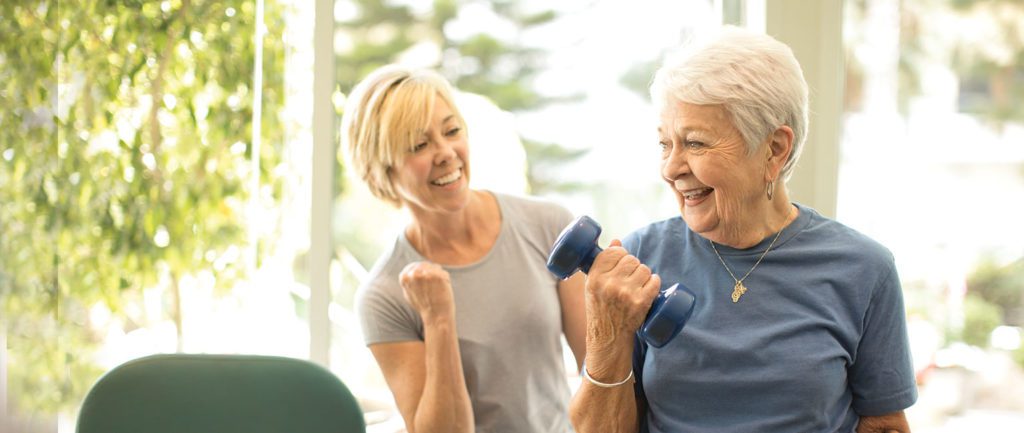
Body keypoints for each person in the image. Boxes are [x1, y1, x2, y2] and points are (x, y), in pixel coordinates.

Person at [569, 27, 917, 433]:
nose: (671, 168)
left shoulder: (863, 268)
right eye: (665, 144)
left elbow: (884, 425)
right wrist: (607, 335)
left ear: (774, 149)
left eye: (695, 143)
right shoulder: (639, 259)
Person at [342, 64, 587, 433]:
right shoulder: (384, 295)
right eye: (419, 145)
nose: (445, 153)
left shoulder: (549, 225)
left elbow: (601, 373)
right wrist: (438, 318)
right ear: (383, 172)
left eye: (452, 131)